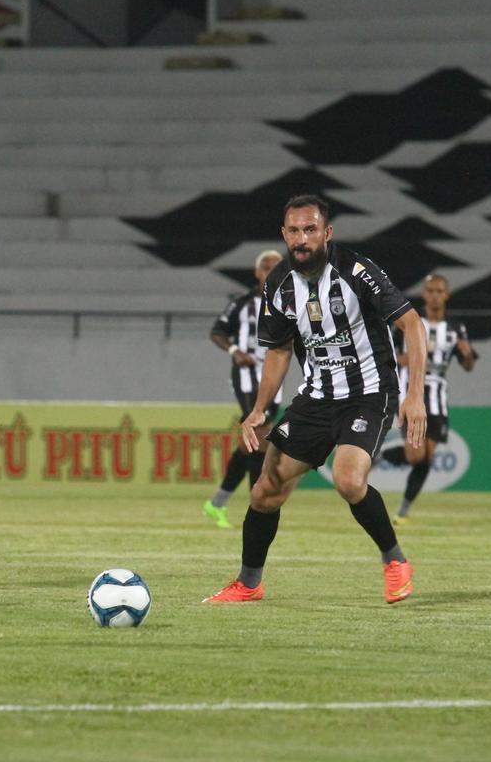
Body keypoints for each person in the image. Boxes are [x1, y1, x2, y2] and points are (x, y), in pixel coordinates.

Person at [204, 194, 427, 604]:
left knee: (347, 479)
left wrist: (415, 395)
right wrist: (258, 409)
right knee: (264, 490)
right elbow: (279, 351)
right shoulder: (278, 284)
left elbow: (412, 323)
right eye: (294, 231)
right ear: (284, 235)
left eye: (310, 230)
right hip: (317, 397)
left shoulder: (357, 271)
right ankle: (248, 583)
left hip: (369, 393)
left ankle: (395, 561)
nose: (302, 239)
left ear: (327, 233)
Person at [379, 274, 477, 523]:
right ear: (424, 294)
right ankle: (378, 455)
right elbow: (384, 355)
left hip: (438, 396)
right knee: (415, 455)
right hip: (411, 392)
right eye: (430, 290)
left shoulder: (456, 327)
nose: (434, 295)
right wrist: (399, 361)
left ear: (447, 295)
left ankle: (403, 509)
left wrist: (467, 356)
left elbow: (468, 366)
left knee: (427, 457)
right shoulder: (408, 322)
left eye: (439, 291)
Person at [203, 249, 284, 528]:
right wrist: (235, 350)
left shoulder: (289, 303)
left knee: (254, 443)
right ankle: (256, 506)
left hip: (274, 379)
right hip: (248, 376)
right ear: (257, 273)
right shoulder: (241, 304)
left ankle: (217, 503)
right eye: (266, 267)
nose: (271, 271)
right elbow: (217, 331)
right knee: (259, 438)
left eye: (277, 267)